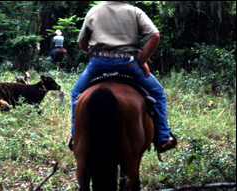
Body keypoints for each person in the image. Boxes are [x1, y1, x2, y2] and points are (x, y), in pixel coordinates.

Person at [69, 1, 177, 154]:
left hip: (98, 63)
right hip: (128, 63)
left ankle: (76, 136)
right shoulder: (135, 12)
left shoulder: (94, 11)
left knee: (76, 94)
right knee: (158, 93)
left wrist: (98, 53)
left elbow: (81, 43)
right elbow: (155, 36)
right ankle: (163, 137)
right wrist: (142, 60)